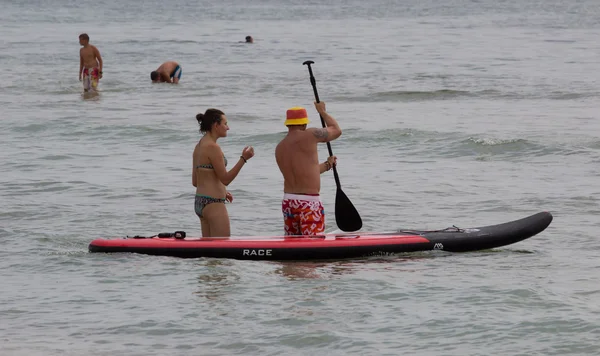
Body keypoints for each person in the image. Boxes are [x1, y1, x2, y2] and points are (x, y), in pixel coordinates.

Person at [275, 103, 341, 236]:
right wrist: (322, 112)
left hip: (289, 201)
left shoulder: (280, 147)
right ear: (304, 124)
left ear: (288, 124)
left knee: (293, 245)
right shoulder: (310, 134)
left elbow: (305, 171)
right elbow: (336, 130)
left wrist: (327, 164)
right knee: (313, 245)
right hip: (308, 202)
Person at [192, 108, 255, 238]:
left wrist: (222, 191)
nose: (228, 128)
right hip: (213, 204)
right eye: (225, 124)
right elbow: (225, 179)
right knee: (222, 250)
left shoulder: (199, 146)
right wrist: (243, 159)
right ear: (216, 125)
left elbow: (195, 181)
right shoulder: (213, 147)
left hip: (200, 203)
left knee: (209, 254)